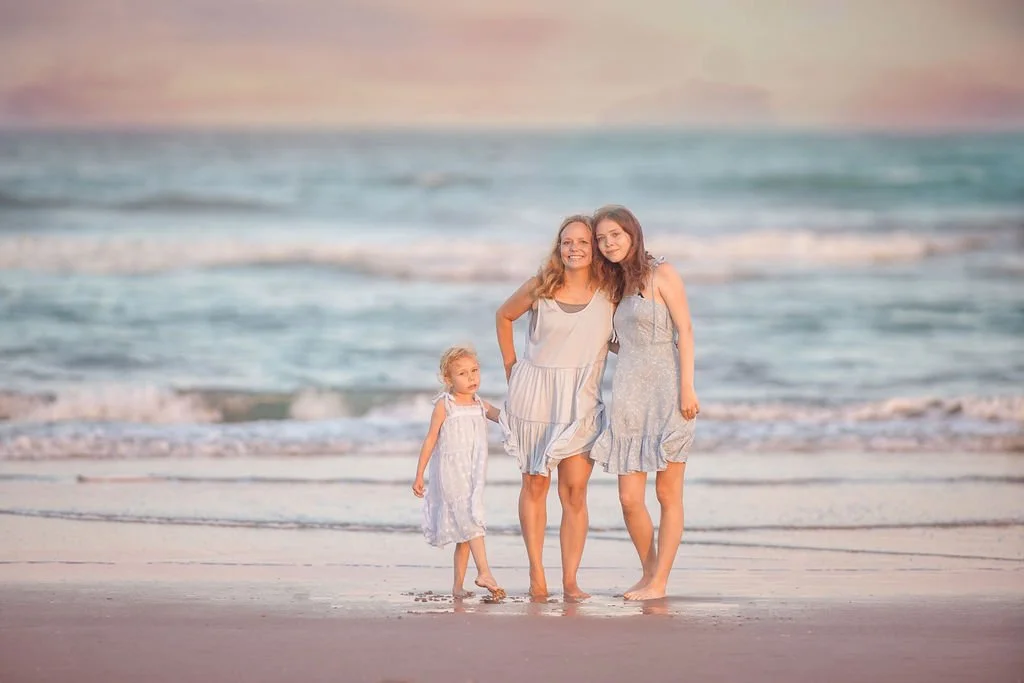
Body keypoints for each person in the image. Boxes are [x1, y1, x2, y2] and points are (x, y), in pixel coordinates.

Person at [496, 215, 614, 600]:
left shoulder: (610, 291)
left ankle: (570, 581)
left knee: (575, 491)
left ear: (594, 248)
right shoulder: (542, 286)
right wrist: (513, 369)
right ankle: (536, 575)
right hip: (536, 396)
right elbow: (503, 315)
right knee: (534, 484)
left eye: (582, 241)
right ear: (558, 247)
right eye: (567, 242)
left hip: (580, 398)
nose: (574, 248)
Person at [590, 205, 699, 601]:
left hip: (668, 391)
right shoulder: (614, 285)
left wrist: (687, 388)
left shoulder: (663, 274)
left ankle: (660, 581)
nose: (608, 244)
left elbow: (684, 330)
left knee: (668, 494)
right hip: (629, 394)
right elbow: (625, 343)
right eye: (601, 239)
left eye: (614, 235)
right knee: (628, 497)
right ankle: (649, 571)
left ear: (632, 233)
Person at [412, 345, 506, 600]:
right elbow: (431, 439)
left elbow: (505, 418)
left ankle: (457, 587)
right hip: (451, 474)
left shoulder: (479, 404)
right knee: (472, 519)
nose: (472, 377)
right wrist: (420, 474)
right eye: (463, 373)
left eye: (475, 371)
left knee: (464, 533)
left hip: (472, 475)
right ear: (448, 379)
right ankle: (485, 571)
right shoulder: (446, 405)